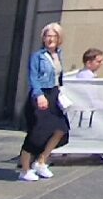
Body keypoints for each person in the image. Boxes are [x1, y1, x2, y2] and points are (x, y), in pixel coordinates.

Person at [17, 23, 68, 182]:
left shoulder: (59, 54)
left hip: (54, 94)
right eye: (47, 36)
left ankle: (41, 161)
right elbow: (33, 78)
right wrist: (39, 95)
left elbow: (58, 76)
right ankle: (25, 169)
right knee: (36, 133)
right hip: (41, 95)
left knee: (61, 129)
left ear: (59, 38)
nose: (50, 39)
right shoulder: (38, 56)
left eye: (53, 36)